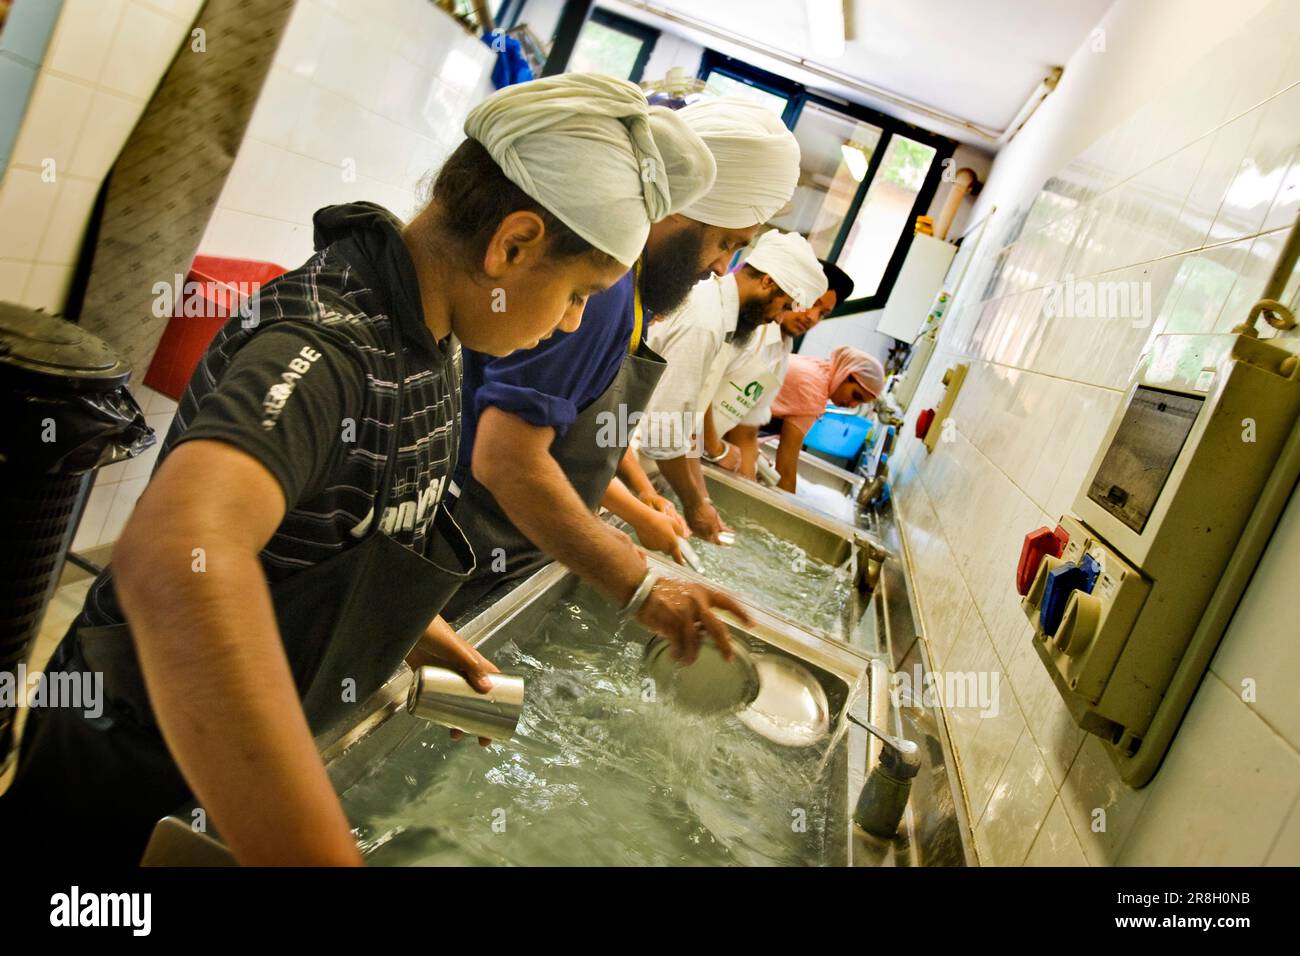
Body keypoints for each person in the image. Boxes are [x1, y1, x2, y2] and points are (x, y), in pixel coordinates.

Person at [0, 74, 700, 867]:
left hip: (221, 764)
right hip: (128, 756)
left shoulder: (434, 338)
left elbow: (334, 531)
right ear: (513, 245)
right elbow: (177, 555)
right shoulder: (324, 343)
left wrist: (414, 635)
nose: (573, 321)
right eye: (578, 293)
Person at [442, 96, 801, 637]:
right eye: (726, 242)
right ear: (680, 207)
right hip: (467, 555)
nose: (722, 267)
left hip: (506, 553)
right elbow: (506, 457)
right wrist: (638, 588)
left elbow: (565, 440)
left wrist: (606, 527)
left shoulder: (628, 296)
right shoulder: (600, 293)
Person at [637, 230, 826, 540]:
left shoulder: (726, 325)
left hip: (646, 466)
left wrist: (703, 500)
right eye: (783, 305)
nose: (778, 318)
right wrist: (695, 504)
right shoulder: (705, 320)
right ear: (767, 282)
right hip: (626, 453)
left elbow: (686, 424)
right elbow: (662, 433)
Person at [704, 259, 853, 479]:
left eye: (822, 313)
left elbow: (746, 431)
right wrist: (716, 448)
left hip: (697, 453)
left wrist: (748, 489)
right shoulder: (750, 330)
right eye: (812, 302)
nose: (812, 317)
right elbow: (697, 391)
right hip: (670, 440)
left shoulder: (782, 353)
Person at [767, 345, 886, 493]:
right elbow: (786, 465)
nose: (852, 405)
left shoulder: (816, 368)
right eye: (856, 395)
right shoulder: (813, 391)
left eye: (860, 403)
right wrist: (787, 506)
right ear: (847, 374)